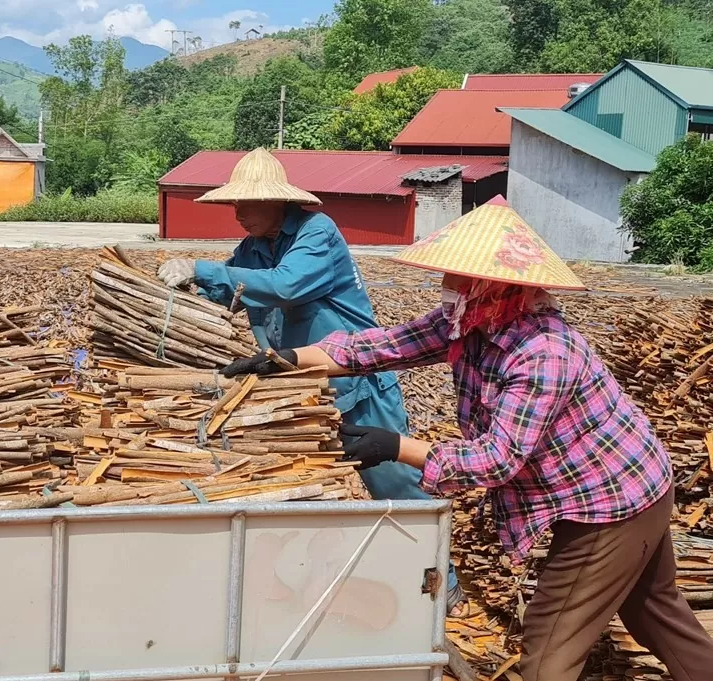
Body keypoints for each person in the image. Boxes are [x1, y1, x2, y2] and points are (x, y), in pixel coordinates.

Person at [226, 197, 713, 681]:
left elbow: (498, 460)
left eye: (457, 278)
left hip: (608, 503)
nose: (445, 288)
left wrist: (395, 446)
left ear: (494, 285)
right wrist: (290, 357)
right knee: (657, 613)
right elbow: (384, 345)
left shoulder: (542, 353)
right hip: (638, 483)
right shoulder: (473, 321)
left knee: (547, 660)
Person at [158, 147, 462, 608]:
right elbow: (235, 291)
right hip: (295, 389)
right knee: (295, 483)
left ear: (277, 202)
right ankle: (300, 584)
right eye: (233, 204)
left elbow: (286, 285)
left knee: (394, 485)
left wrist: (202, 266)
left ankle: (444, 587)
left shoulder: (316, 233)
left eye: (244, 204)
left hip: (354, 381)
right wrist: (191, 289)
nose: (236, 214)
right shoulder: (253, 247)